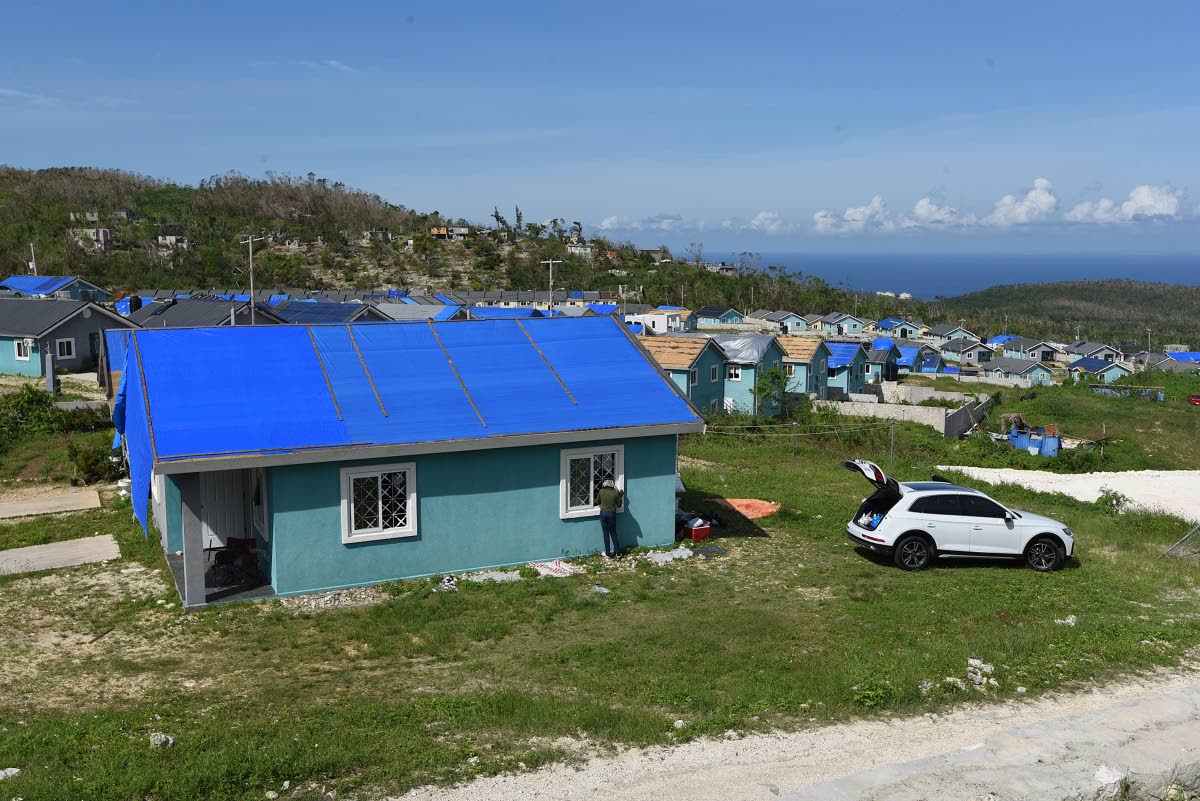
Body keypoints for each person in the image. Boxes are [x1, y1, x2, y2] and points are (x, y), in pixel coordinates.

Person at [597, 478, 623, 558]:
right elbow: (619, 505)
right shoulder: (615, 493)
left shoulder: (601, 491)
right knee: (613, 532)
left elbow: (597, 502)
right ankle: (618, 553)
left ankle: (608, 553)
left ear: (605, 486)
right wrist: (620, 496)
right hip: (611, 514)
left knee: (605, 533)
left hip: (603, 513)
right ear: (612, 486)